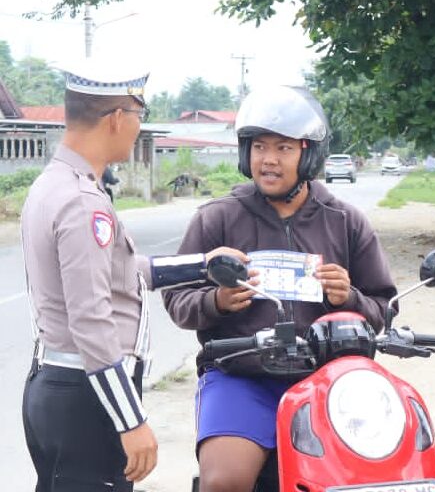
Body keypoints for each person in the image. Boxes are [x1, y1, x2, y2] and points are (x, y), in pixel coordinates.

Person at [20, 58, 245, 492]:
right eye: (140, 116)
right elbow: (91, 320)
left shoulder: (53, 184)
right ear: (118, 118)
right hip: (86, 398)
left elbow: (120, 272)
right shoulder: (84, 203)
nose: (140, 126)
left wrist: (204, 266)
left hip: (58, 386)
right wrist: (130, 420)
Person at [162, 85, 398, 491]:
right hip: (239, 376)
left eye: (284, 148)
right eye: (259, 147)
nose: (268, 159)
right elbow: (177, 300)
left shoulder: (345, 221)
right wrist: (217, 301)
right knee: (225, 481)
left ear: (308, 154)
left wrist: (350, 299)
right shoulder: (217, 218)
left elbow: (385, 306)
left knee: (361, 476)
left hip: (328, 380)